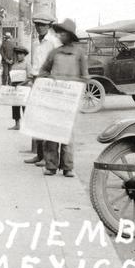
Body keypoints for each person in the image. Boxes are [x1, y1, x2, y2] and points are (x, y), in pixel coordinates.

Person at [38, 18, 89, 177]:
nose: (60, 35)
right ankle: (51, 165)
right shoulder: (54, 53)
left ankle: (68, 167)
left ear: (70, 35)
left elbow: (85, 77)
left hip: (71, 99)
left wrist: (74, 86)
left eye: (63, 33)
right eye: (59, 32)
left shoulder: (80, 53)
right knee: (52, 132)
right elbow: (43, 71)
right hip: (55, 97)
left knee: (68, 133)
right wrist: (50, 80)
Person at [23, 12, 62, 166]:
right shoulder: (36, 42)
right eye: (37, 25)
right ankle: (39, 155)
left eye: (43, 25)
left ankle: (47, 157)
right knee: (36, 119)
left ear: (49, 26)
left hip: (48, 82)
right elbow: (36, 64)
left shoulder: (53, 42)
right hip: (37, 81)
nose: (39, 28)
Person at [8, 43, 33, 130]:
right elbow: (11, 76)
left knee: (25, 107)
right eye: (17, 54)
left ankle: (27, 125)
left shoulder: (27, 64)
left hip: (25, 87)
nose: (19, 56)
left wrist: (21, 84)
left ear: (24, 55)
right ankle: (17, 124)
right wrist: (10, 84)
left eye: (21, 54)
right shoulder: (14, 65)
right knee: (15, 106)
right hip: (15, 87)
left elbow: (30, 77)